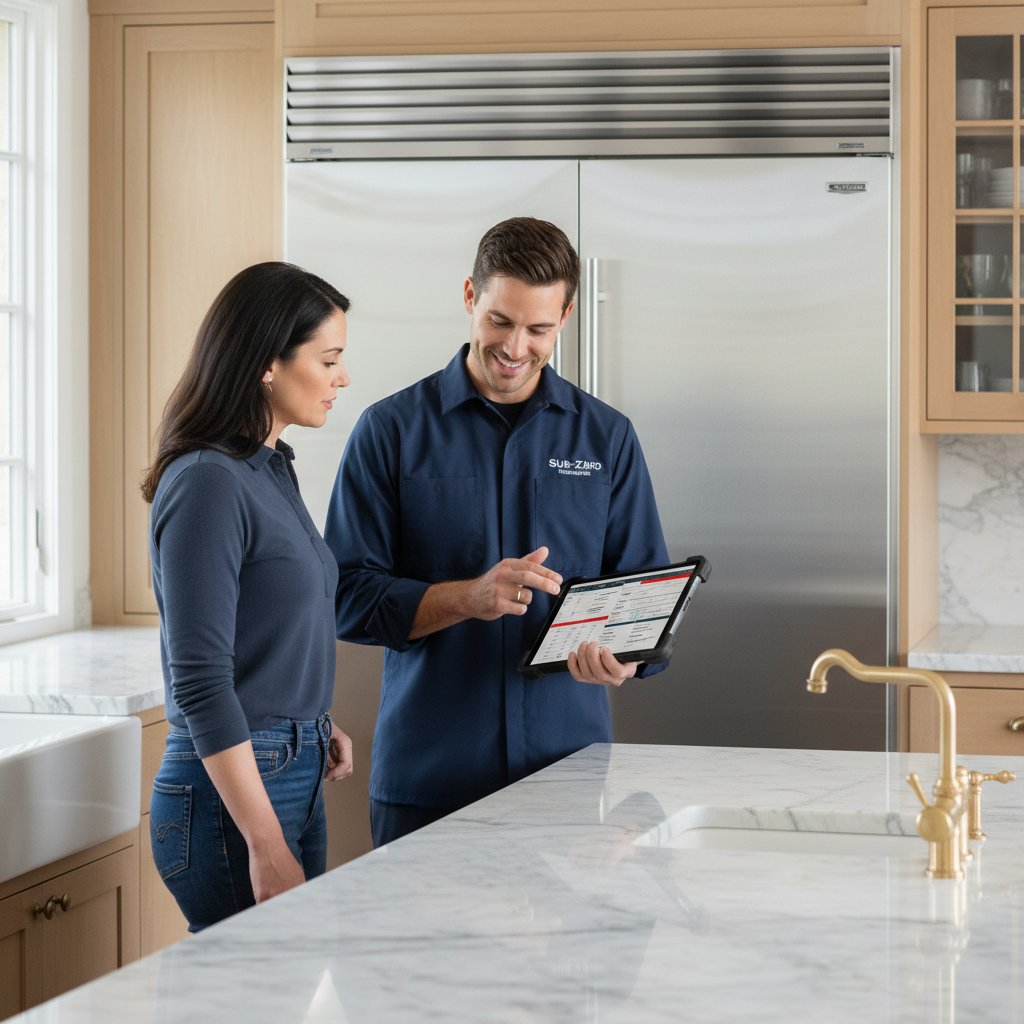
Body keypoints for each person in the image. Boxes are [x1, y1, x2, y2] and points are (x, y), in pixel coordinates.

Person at [325, 217, 669, 847]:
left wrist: (624, 657)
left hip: (568, 779)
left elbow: (643, 598)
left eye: (538, 329)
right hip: (430, 781)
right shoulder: (390, 432)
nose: (516, 348)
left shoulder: (607, 437)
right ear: (469, 297)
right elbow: (346, 597)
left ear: (565, 316)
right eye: (500, 321)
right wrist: (466, 598)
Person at [141, 261, 355, 932]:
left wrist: (313, 720)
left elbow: (268, 629)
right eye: (328, 359)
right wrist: (264, 842)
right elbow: (201, 681)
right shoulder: (207, 481)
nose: (341, 378)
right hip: (234, 791)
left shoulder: (269, 469)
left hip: (289, 762)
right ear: (268, 364)